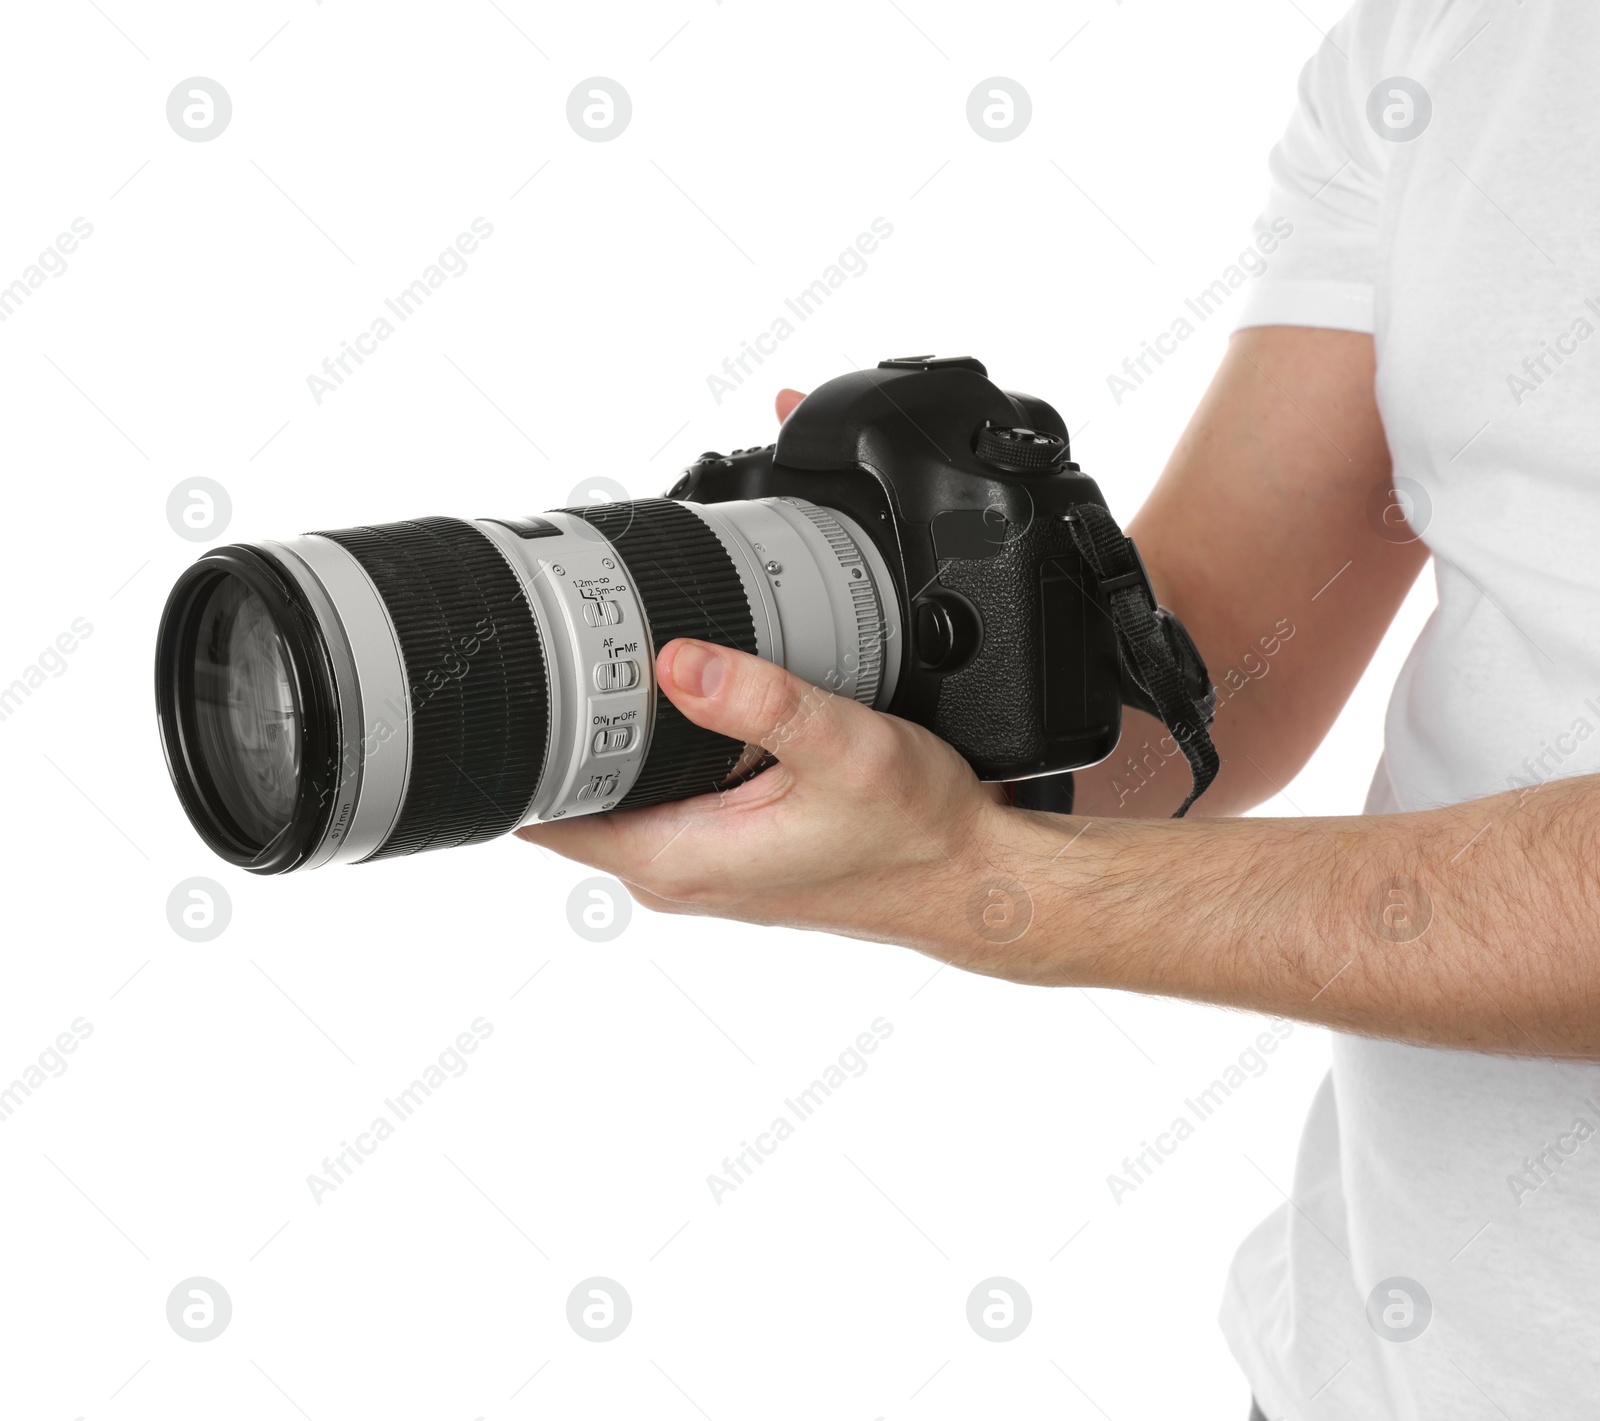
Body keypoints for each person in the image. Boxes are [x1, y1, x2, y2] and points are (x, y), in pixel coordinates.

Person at [522, 2, 1600, 1414]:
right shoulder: (1446, 44)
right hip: (1360, 1368)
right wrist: (862, 630)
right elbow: (1211, 675)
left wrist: (989, 883)